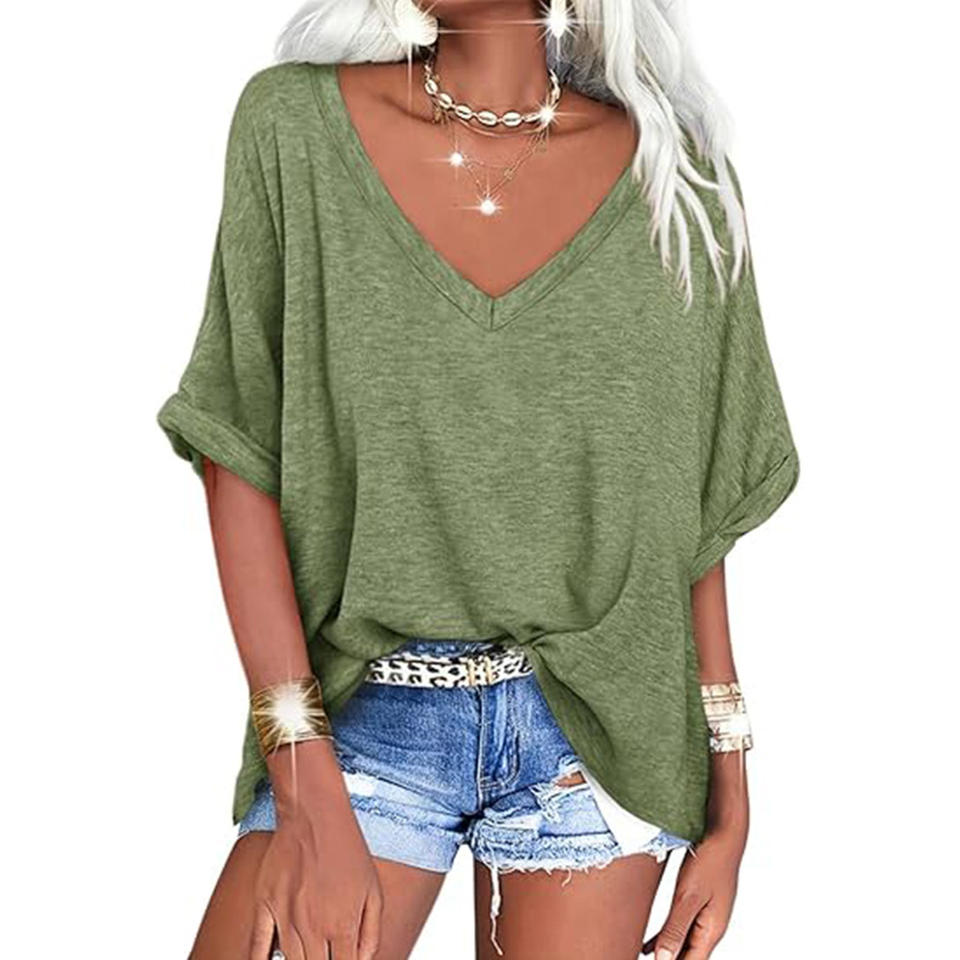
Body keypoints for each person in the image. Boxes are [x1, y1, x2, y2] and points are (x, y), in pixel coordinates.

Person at [155, 2, 799, 958]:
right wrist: (301, 777)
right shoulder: (294, 127)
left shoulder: (680, 180)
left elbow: (691, 519)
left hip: (602, 748)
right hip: (363, 714)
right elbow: (237, 449)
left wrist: (731, 796)